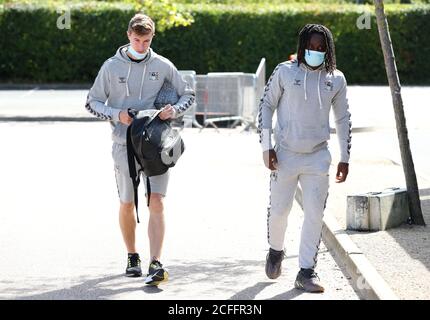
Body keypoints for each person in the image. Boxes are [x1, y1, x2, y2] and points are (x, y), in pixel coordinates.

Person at [85, 13, 195, 286]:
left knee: (156, 201)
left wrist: (174, 110)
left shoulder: (163, 64)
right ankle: (132, 254)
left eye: (146, 40)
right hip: (124, 145)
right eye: (137, 40)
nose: (142, 46)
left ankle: (156, 261)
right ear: (128, 36)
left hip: (156, 144)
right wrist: (116, 113)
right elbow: (91, 102)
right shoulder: (111, 67)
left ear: (152, 37)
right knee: (127, 202)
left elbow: (187, 94)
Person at [258, 24, 351, 293]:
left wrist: (345, 157)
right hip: (284, 156)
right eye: (311, 47)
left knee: (314, 213)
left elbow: (343, 118)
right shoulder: (285, 72)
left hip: (318, 157)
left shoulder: (337, 78)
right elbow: (266, 105)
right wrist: (267, 147)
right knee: (279, 211)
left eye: (322, 48)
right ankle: (276, 250)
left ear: (328, 49)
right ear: (302, 47)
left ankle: (306, 270)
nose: (316, 51)